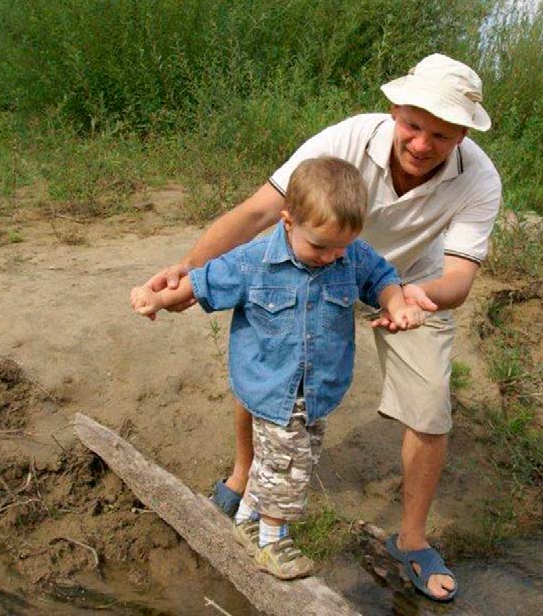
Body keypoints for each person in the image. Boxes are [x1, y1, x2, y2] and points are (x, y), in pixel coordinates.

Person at [141, 53, 501, 601]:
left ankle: (411, 538)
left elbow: (460, 277)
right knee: (268, 358)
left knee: (429, 405)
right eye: (413, 125)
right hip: (307, 266)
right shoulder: (347, 140)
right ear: (394, 109)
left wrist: (410, 298)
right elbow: (261, 213)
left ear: (462, 135)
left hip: (407, 285)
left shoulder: (479, 177)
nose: (423, 144)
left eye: (442, 134)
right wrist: (189, 273)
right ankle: (244, 481)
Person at [131, 156, 426, 580]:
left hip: (318, 387)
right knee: (290, 467)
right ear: (287, 222)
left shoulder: (352, 255)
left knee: (279, 460)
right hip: (273, 385)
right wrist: (155, 297)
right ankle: (272, 540)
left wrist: (396, 304)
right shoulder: (253, 262)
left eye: (341, 246)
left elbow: (382, 277)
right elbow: (201, 282)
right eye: (319, 246)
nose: (330, 257)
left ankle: (249, 515)